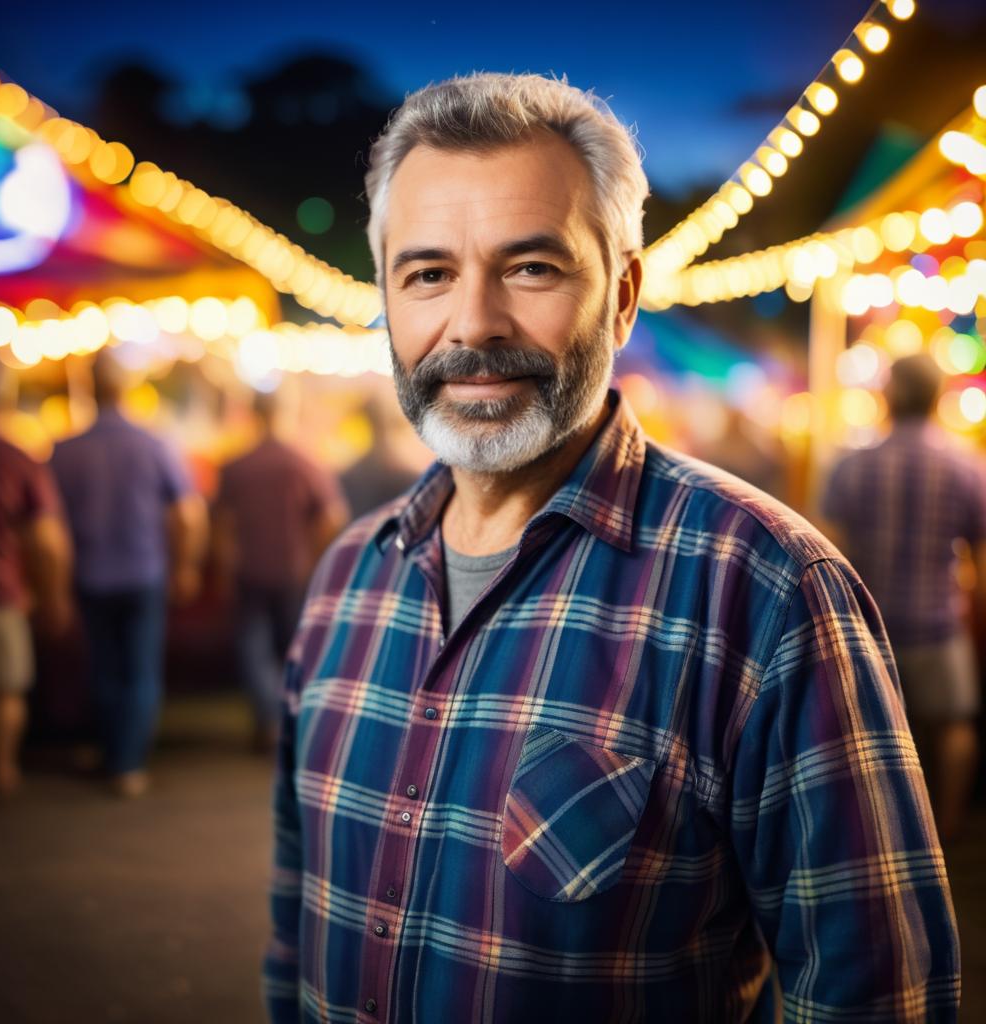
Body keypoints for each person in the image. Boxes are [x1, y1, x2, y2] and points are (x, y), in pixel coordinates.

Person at [264, 74, 959, 1023]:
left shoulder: (767, 592)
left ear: (623, 296)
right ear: (387, 294)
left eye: (531, 269)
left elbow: (874, 993)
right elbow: (294, 931)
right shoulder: (347, 578)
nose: (472, 324)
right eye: (427, 273)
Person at [824, 352, 986, 841]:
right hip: (939, 625)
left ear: (889, 395)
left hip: (871, 628)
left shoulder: (851, 465)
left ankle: (879, 830)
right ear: (937, 396)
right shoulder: (965, 467)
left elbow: (831, 553)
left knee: (866, 736)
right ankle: (949, 827)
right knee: (954, 726)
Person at [50, 353, 206, 798]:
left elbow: (48, 527)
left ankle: (112, 752)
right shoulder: (154, 443)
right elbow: (188, 514)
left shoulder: (64, 450)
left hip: (89, 574)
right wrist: (186, 565)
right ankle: (128, 763)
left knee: (102, 666)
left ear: (88, 389)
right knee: (139, 670)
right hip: (143, 572)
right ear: (127, 388)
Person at [0, 348, 72, 801]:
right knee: (5, 691)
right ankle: (2, 773)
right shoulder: (15, 457)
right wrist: (54, 598)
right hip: (1, 595)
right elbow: (46, 541)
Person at [213, 389, 348, 752]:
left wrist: (226, 568)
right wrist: (320, 560)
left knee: (252, 648)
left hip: (250, 570)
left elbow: (222, 527)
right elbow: (333, 519)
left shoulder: (236, 464)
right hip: (295, 570)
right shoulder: (305, 463)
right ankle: (294, 722)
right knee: (295, 648)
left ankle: (269, 720)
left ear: (252, 415)